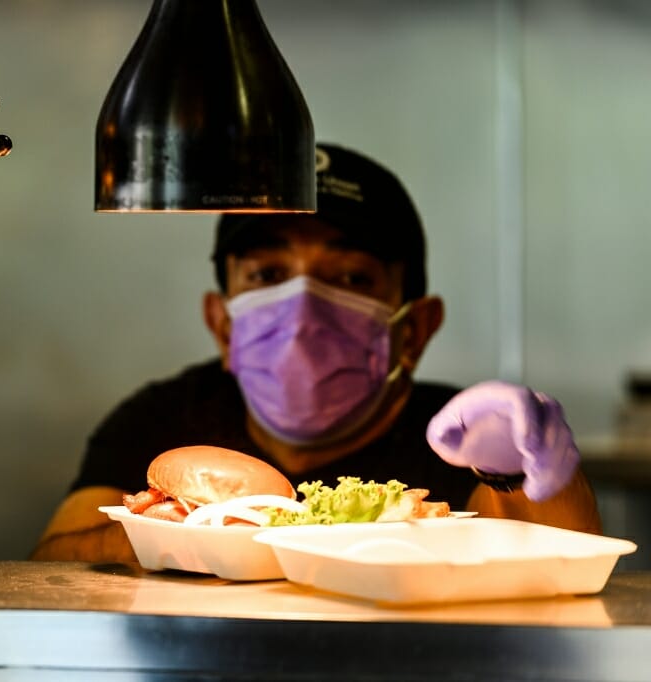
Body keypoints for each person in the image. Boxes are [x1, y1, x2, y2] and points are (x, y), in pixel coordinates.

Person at [30, 142, 601, 563]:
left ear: (415, 329)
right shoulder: (160, 418)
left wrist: (512, 468)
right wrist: (173, 540)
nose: (302, 310)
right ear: (222, 324)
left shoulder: (459, 440)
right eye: (269, 274)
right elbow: (52, 567)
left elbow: (568, 566)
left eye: (351, 276)